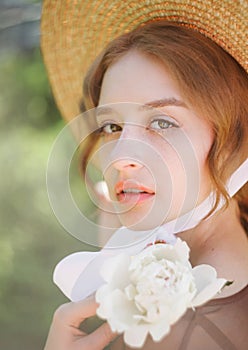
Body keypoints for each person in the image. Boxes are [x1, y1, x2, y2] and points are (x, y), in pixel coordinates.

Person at [41, 1, 248, 349]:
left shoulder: (201, 332)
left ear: (235, 143)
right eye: (112, 126)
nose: (121, 158)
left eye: (162, 123)